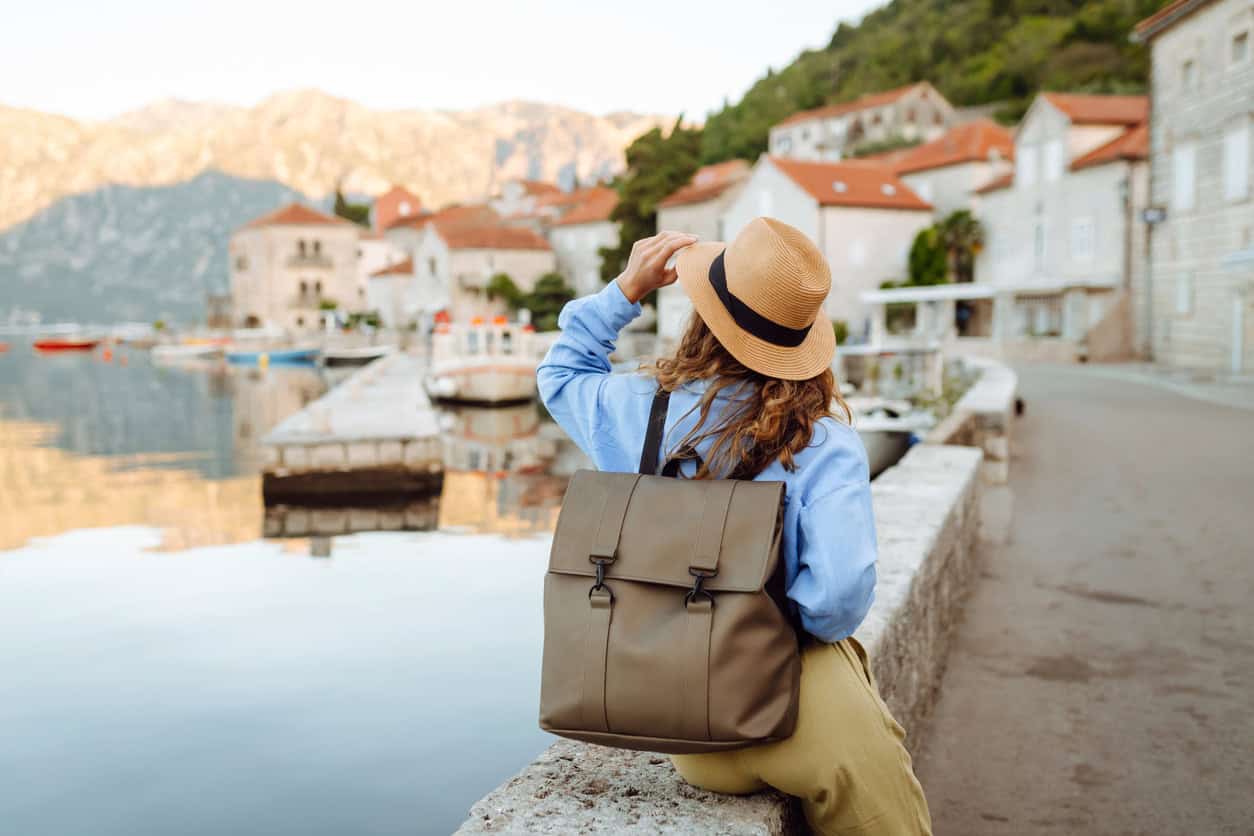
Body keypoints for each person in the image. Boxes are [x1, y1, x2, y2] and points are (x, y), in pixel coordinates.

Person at [537, 218, 932, 835]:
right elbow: (836, 600)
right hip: (785, 717)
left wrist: (625, 291)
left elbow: (560, 374)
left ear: (704, 314)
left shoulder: (636, 408)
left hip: (680, 726)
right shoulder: (822, 444)